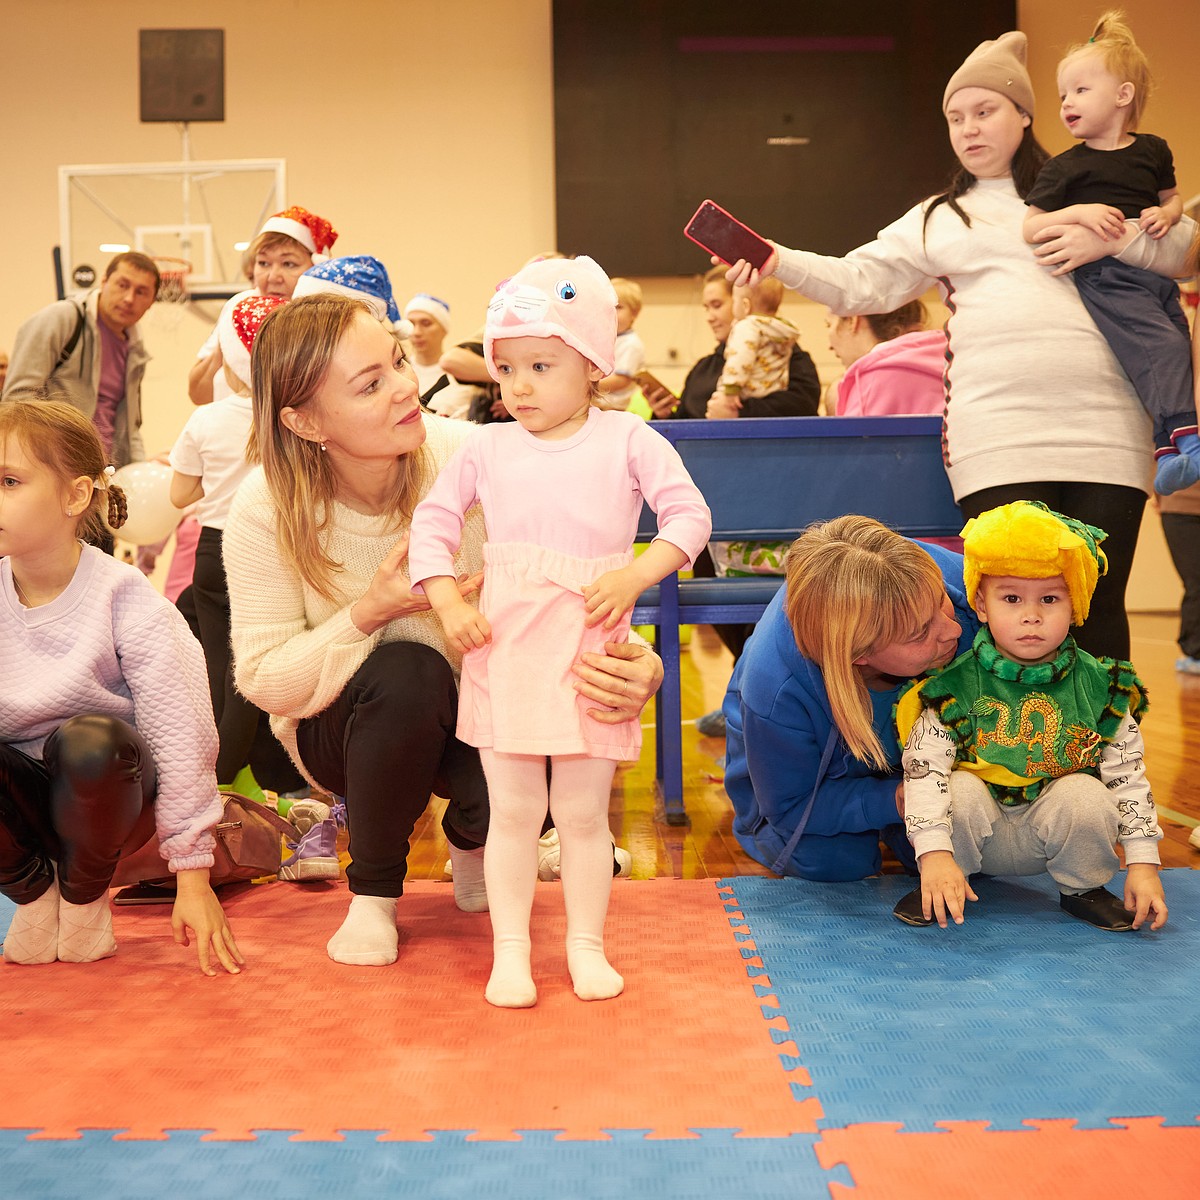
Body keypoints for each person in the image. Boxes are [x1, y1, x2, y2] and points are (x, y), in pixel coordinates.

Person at [221, 293, 665, 971]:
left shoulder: (479, 454)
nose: (406, 388)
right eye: (371, 385)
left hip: (489, 709)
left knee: (532, 757)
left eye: (397, 363)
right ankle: (372, 892)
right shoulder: (265, 507)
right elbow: (265, 682)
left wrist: (640, 664)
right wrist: (369, 610)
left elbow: (585, 578)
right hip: (347, 729)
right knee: (407, 670)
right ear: (304, 421)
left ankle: (473, 836)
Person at [723, 30, 1195, 663]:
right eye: (955, 118)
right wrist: (776, 260)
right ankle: (1010, 761)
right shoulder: (941, 216)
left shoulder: (1092, 176)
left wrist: (1112, 241)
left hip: (1106, 432)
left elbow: (1182, 254)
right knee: (1004, 619)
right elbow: (857, 281)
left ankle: (1108, 761)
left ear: (1025, 115)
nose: (969, 130)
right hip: (996, 439)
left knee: (1096, 607)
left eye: (985, 112)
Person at [408, 255, 711, 1008]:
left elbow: (690, 518)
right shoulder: (486, 447)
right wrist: (448, 604)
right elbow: (432, 527)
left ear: (594, 366)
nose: (518, 385)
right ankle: (510, 951)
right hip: (504, 651)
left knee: (580, 815)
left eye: (540, 365)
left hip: (590, 652)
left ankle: (585, 946)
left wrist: (637, 575)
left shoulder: (628, 440)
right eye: (506, 367)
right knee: (511, 813)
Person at [0, 399, 242, 975]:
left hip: (111, 797)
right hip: (24, 806)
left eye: (8, 481)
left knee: (91, 742)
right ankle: (35, 895)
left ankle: (84, 897)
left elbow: (181, 733)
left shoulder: (123, 595)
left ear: (75, 496)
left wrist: (191, 875)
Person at [893, 500, 1166, 933]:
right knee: (957, 788)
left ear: (1075, 603)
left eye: (1050, 598)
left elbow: (1128, 776)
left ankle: (1083, 890)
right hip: (974, 838)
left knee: (1085, 792)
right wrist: (933, 854)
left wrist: (1143, 864)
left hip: (1052, 830)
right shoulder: (954, 685)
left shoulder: (1100, 686)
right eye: (1012, 598)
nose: (1031, 615)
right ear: (981, 604)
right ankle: (946, 881)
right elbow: (923, 773)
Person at [723, 515, 976, 881]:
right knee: (834, 863)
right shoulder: (777, 690)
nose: (953, 629)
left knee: (971, 854)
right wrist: (892, 801)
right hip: (809, 780)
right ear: (858, 655)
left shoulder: (950, 577)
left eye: (942, 602)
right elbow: (792, 807)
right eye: (920, 633)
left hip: (926, 758)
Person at [168, 294, 327, 851]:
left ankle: (207, 790)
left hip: (215, 551)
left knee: (225, 673)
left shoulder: (206, 419)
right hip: (279, 547)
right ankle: (281, 785)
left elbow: (178, 492)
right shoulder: (291, 417)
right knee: (271, 671)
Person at [1022, 12, 1195, 496]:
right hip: (1108, 280)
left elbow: (1171, 199)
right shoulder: (1065, 168)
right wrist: (1079, 212)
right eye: (1062, 95)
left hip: (1156, 276)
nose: (1066, 103)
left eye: (1080, 90)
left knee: (1177, 341)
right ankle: (1190, 438)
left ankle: (1166, 449)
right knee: (1156, 345)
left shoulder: (1153, 150)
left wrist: (1169, 215)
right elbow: (1031, 226)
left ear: (1123, 96)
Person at [3, 251, 160, 468]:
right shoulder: (62, 318)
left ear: (152, 302)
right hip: (54, 469)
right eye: (123, 285)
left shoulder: (136, 350)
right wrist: (54, 462)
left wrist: (141, 468)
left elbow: (130, 429)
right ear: (104, 282)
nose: (129, 298)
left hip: (102, 475)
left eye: (141, 292)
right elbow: (17, 401)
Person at [187, 206, 337, 406]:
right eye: (264, 263)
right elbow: (198, 394)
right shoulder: (238, 307)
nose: (273, 277)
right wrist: (227, 343)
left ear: (316, 268)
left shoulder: (331, 317)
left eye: (288, 264)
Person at [644, 265, 819, 421]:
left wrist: (738, 414)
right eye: (706, 308)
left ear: (744, 304)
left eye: (717, 305)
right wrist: (664, 415)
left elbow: (803, 407)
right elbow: (684, 422)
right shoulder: (703, 368)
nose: (709, 317)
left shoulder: (789, 357)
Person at [825, 300, 947, 416]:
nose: (829, 346)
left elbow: (854, 437)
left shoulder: (873, 384)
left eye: (829, 325)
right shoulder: (950, 360)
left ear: (853, 320)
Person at [717, 277, 799, 407]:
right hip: (772, 392)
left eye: (734, 302)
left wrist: (731, 388)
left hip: (746, 392)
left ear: (746, 306)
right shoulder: (780, 331)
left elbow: (740, 357)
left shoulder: (747, 327)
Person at [596, 277, 646, 410]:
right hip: (600, 400)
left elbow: (621, 380)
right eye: (608, 307)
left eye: (618, 307)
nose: (612, 312)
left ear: (634, 313)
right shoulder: (605, 339)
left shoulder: (631, 344)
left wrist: (589, 387)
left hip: (614, 406)